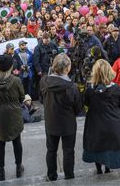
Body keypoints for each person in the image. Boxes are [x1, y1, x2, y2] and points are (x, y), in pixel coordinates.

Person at [82, 59, 120, 174]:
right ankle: (108, 168)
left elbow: (86, 103)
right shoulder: (116, 89)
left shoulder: (90, 90)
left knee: (98, 146)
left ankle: (99, 169)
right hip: (112, 123)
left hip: (95, 123)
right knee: (109, 147)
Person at [40, 53, 82, 181]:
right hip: (67, 123)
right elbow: (78, 108)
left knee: (51, 150)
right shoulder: (72, 87)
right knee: (68, 151)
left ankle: (51, 176)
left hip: (51, 121)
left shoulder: (44, 81)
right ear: (67, 68)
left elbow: (42, 99)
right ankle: (69, 176)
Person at [0, 55, 25, 181]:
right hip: (13, 114)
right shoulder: (16, 81)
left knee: (0, 143)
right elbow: (21, 97)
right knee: (17, 141)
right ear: (10, 67)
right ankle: (18, 167)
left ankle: (1, 170)